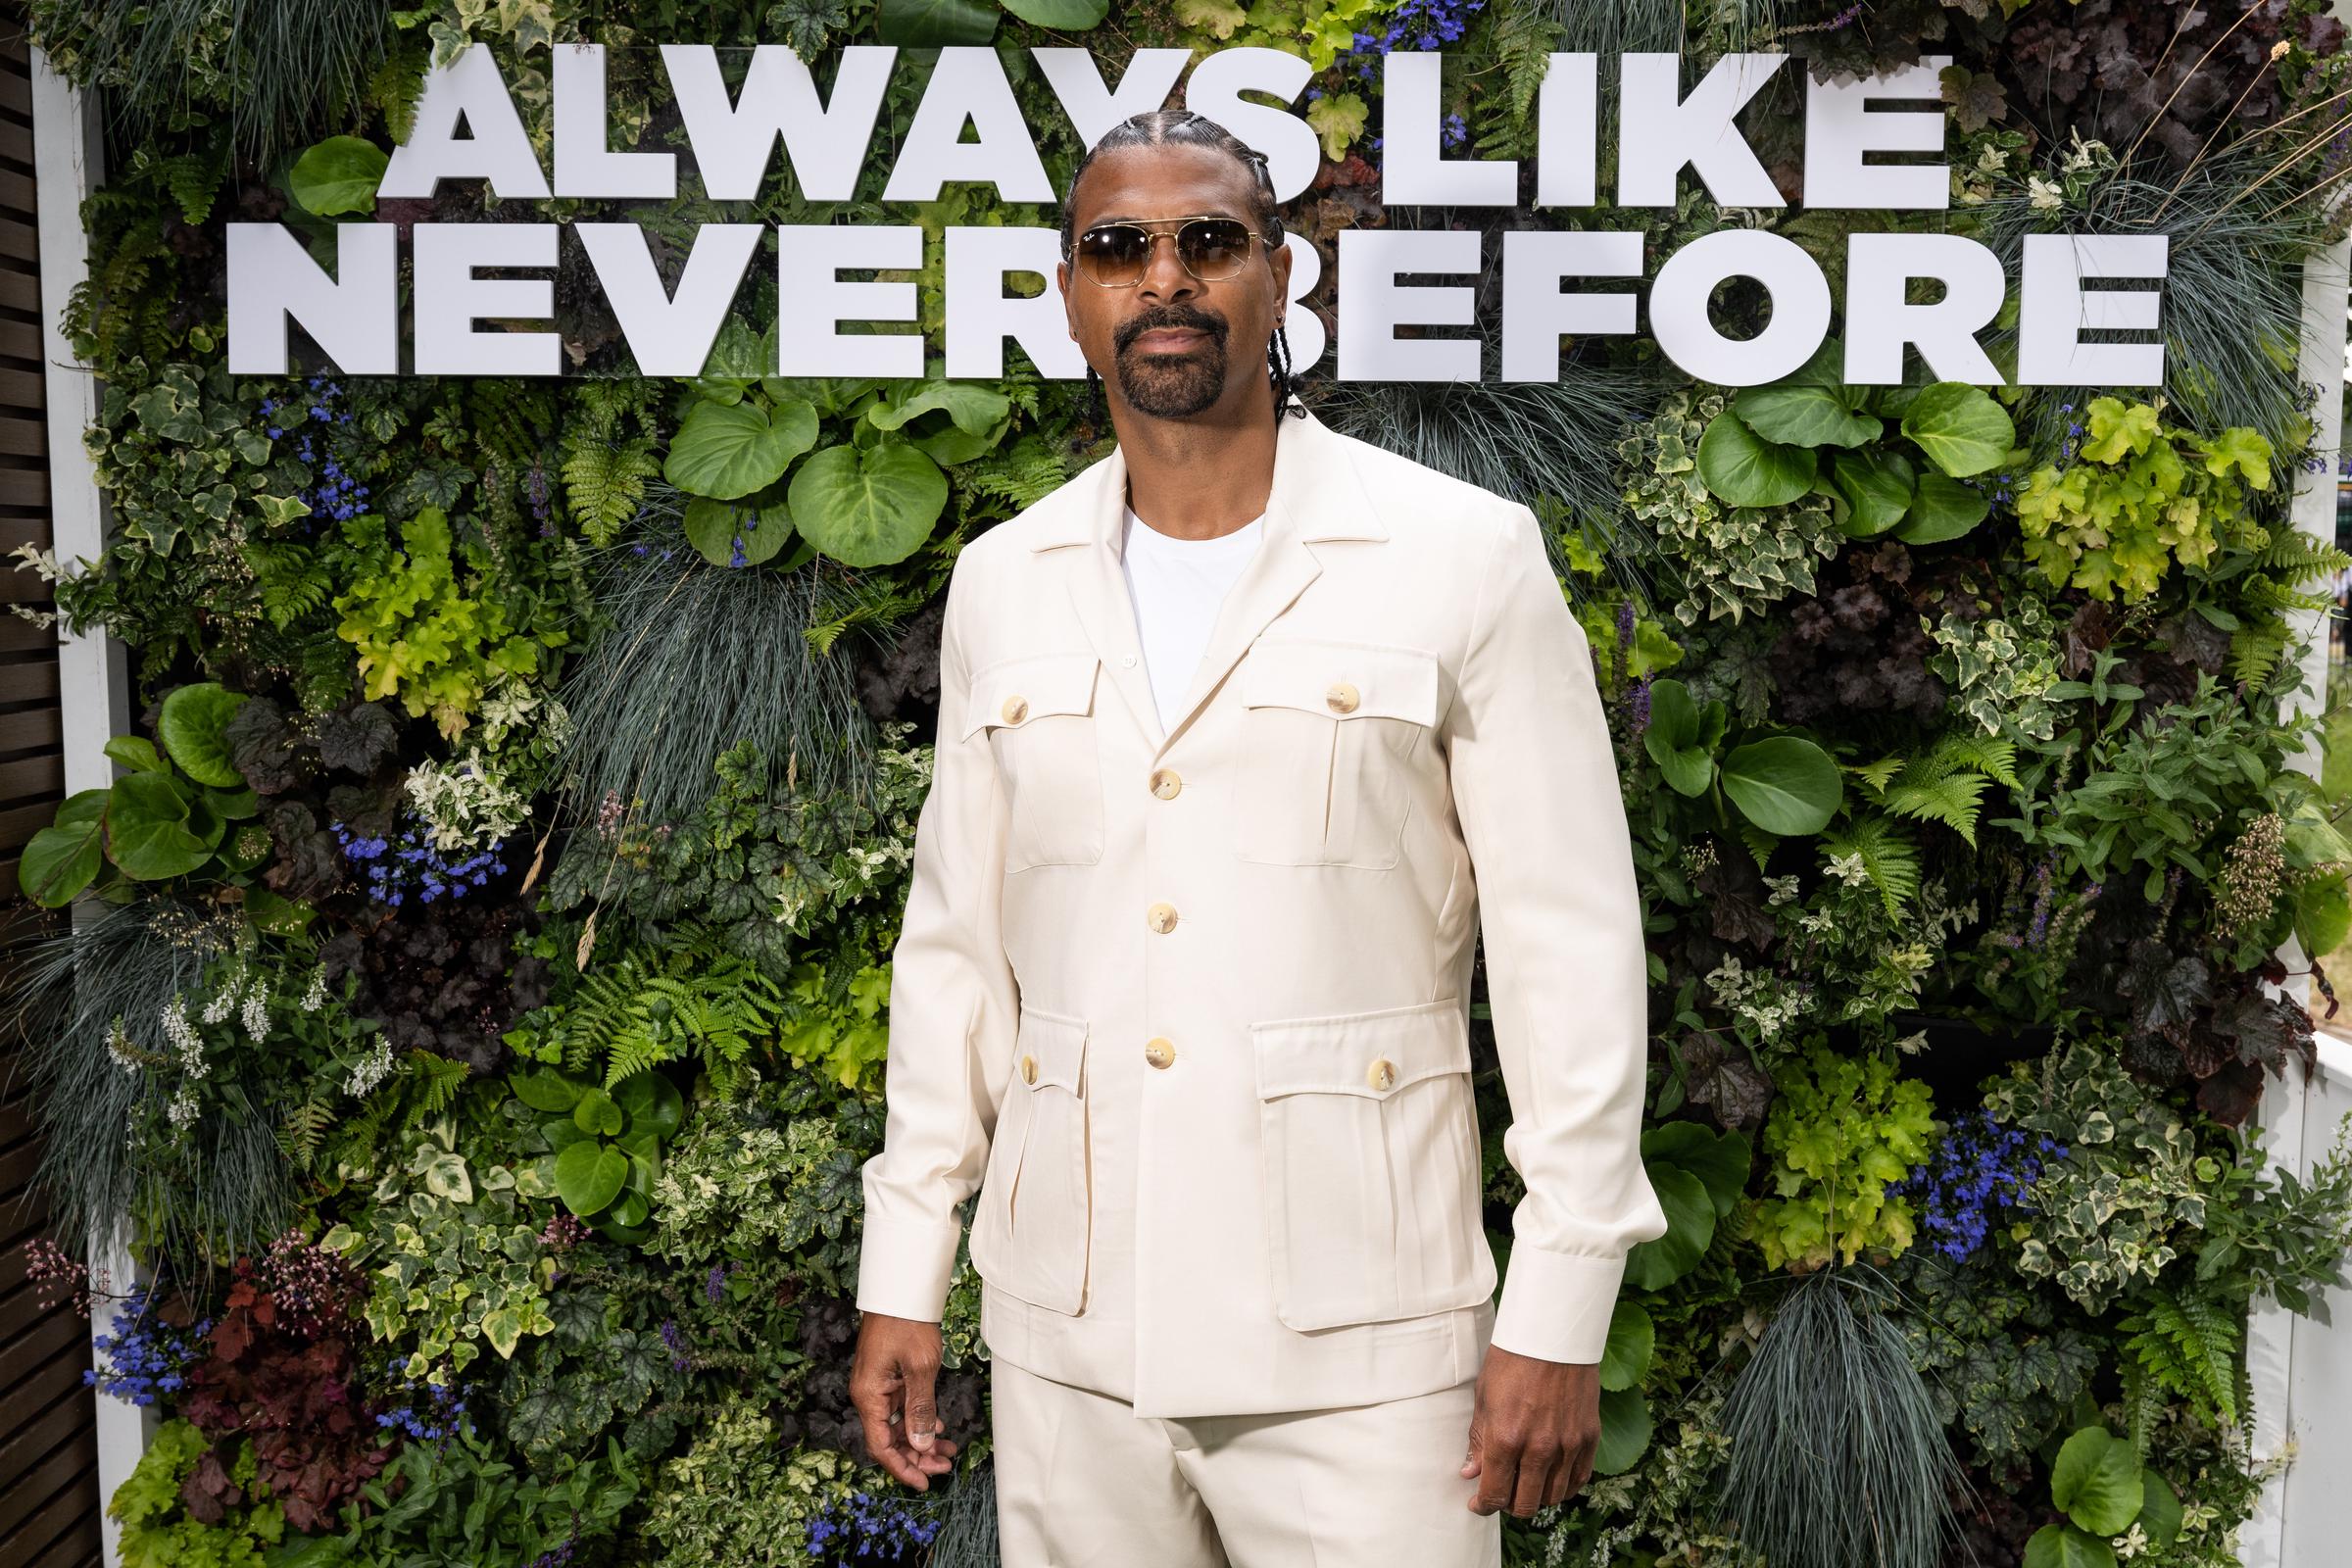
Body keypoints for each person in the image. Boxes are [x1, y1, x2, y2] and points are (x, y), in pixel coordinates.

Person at [847, 107, 1667, 1567]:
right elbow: (958, 951)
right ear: (1070, 292)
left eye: (1207, 242)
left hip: (1362, 1342)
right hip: (1070, 1336)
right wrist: (905, 1264)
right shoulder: (1005, 582)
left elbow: (1569, 949)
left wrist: (1563, 1296)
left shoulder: (1460, 556)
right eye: (1120, 248)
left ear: (1281, 277)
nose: (1164, 278)